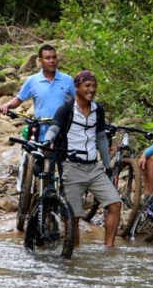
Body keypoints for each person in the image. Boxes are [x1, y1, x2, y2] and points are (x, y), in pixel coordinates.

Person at [44, 71, 121, 248]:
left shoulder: (97, 110)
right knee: (73, 216)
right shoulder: (66, 109)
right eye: (87, 86)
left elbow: (101, 138)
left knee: (115, 204)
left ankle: (109, 249)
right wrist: (48, 141)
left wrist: (107, 164)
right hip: (72, 167)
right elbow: (54, 127)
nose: (91, 90)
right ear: (77, 87)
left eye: (94, 86)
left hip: (94, 168)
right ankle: (73, 255)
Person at [0, 44, 75, 139]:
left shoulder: (67, 80)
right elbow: (19, 99)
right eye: (47, 58)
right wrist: (6, 106)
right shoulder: (32, 81)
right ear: (40, 61)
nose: (52, 61)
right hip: (41, 131)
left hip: (63, 131)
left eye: (54, 57)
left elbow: (79, 102)